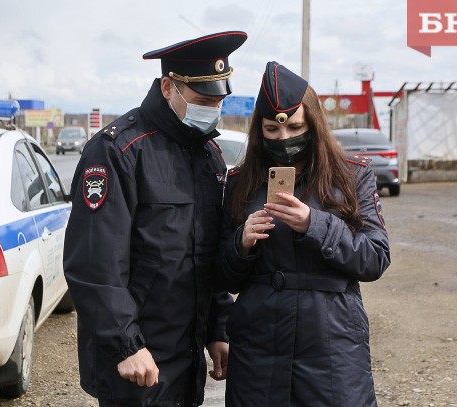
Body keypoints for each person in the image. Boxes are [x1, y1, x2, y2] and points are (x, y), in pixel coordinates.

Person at [63, 31, 248, 406]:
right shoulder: (119, 150)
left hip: (187, 356)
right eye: (202, 100)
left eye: (217, 102)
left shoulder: (208, 155)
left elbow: (206, 255)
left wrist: (218, 328)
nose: (212, 110)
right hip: (136, 360)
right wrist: (126, 345)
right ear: (168, 87)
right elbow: (94, 264)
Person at [217, 61, 391, 406]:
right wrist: (242, 243)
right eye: (272, 130)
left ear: (313, 124)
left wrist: (316, 225)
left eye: (295, 127)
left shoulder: (351, 177)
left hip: (332, 344)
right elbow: (222, 276)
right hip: (259, 346)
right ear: (260, 130)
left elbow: (375, 258)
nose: (284, 138)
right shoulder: (239, 182)